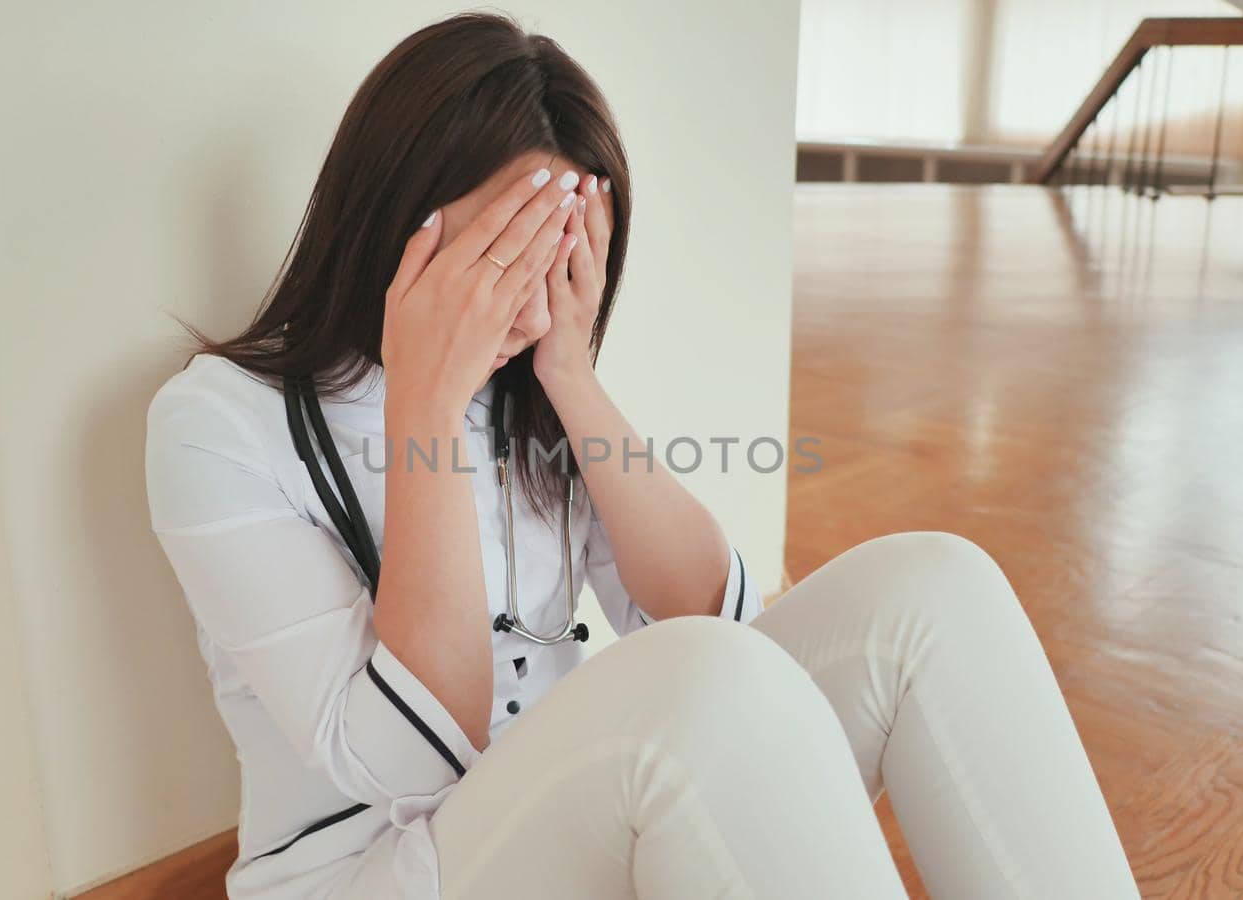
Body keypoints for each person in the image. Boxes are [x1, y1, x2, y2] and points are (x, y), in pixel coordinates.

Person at [144, 11, 1139, 900]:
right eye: (507, 255)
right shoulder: (215, 427)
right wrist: (427, 405)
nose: (530, 304)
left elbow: (725, 626)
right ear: (398, 224)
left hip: (584, 812)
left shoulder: (529, 385)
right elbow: (408, 758)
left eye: (564, 256)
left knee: (936, 588)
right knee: (695, 681)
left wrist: (572, 377)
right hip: (379, 869)